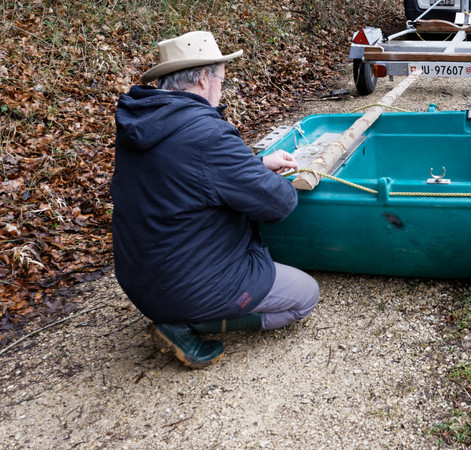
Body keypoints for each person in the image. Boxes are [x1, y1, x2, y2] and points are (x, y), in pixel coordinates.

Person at [110, 31, 319, 368]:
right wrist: (265, 178)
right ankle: (189, 325)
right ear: (205, 79)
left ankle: (180, 312)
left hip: (139, 279)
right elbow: (280, 203)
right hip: (187, 288)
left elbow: (188, 174)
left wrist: (255, 164)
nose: (222, 87)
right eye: (222, 79)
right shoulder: (207, 134)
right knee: (305, 297)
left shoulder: (142, 121)